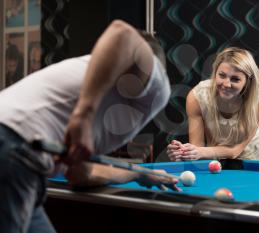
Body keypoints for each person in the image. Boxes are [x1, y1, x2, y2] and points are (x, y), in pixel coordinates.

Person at [0, 20, 180, 233]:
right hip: (13, 147)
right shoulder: (158, 87)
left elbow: (80, 174)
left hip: (17, 152)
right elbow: (122, 32)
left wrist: (138, 173)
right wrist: (83, 116)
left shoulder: (100, 93)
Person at [167, 47, 259, 162]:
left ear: (248, 81)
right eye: (222, 75)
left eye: (235, 79)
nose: (226, 84)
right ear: (215, 72)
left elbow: (235, 150)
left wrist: (200, 151)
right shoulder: (197, 97)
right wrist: (183, 152)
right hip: (221, 156)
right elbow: (197, 148)